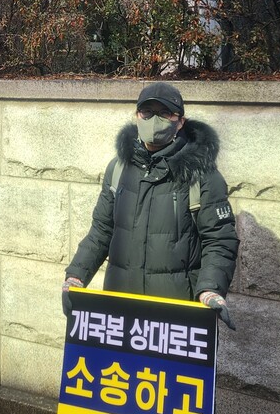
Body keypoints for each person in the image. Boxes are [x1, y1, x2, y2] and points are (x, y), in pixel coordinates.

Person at [62, 82, 239, 329]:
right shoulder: (119, 169)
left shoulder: (201, 175)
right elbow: (101, 230)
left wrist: (210, 289)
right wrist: (76, 276)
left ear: (180, 121)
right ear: (137, 116)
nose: (154, 120)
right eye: (147, 112)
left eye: (165, 113)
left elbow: (219, 240)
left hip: (175, 314)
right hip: (120, 308)